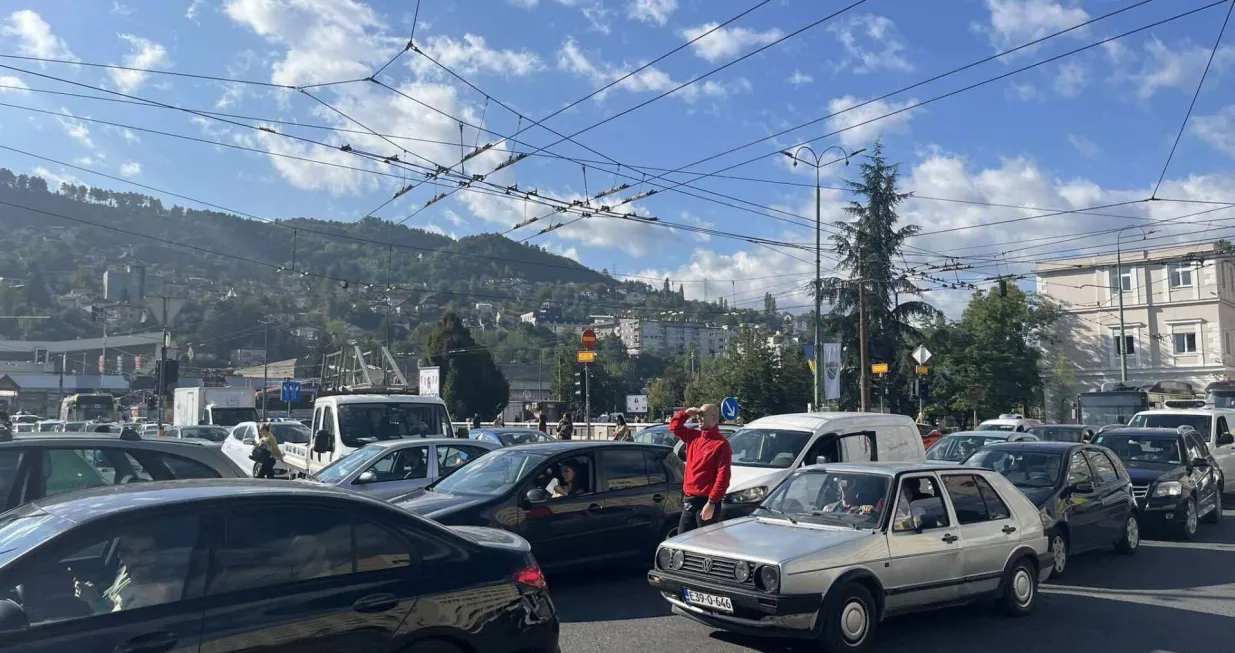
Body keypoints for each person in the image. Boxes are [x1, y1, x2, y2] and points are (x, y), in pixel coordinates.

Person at [74, 530, 182, 613]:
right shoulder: (131, 572)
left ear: (158, 553)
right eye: (128, 553)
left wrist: (94, 600)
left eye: (146, 552)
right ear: (121, 555)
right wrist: (91, 595)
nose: (136, 559)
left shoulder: (152, 594)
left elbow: (112, 626)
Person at [670, 405, 732, 534]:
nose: (698, 418)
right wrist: (686, 414)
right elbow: (674, 427)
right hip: (689, 500)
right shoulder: (693, 436)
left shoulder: (721, 444)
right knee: (682, 539)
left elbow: (723, 477)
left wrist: (712, 502)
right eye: (698, 416)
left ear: (714, 418)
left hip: (706, 501)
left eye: (702, 415)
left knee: (706, 543)